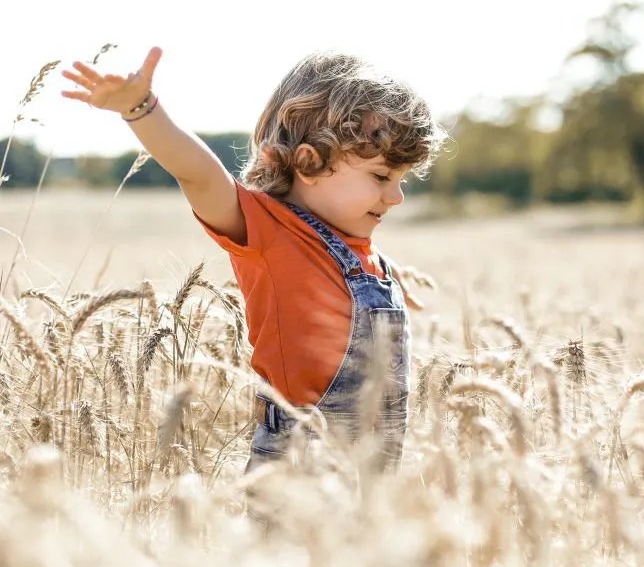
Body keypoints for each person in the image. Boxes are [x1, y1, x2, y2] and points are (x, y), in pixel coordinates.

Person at [61, 47, 448, 473]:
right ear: (308, 162)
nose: (397, 196)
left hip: (372, 473)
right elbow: (200, 174)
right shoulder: (271, 232)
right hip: (299, 467)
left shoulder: (366, 255)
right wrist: (140, 108)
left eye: (401, 179)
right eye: (381, 177)